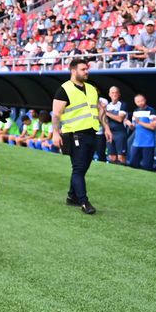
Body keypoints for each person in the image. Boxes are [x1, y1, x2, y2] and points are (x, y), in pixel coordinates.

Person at [50, 57, 103, 215]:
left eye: (87, 69)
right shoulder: (64, 89)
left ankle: (72, 196)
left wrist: (106, 128)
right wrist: (55, 133)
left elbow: (99, 109)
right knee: (79, 169)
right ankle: (84, 202)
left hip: (92, 133)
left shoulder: (92, 89)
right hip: (75, 135)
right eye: (83, 69)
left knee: (83, 168)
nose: (86, 72)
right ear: (73, 71)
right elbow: (56, 114)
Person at [124, 93, 156, 170]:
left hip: (148, 143)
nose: (140, 103)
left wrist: (139, 122)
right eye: (138, 101)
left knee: (147, 167)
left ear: (145, 100)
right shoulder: (136, 111)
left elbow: (153, 127)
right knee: (133, 164)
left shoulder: (151, 110)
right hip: (136, 142)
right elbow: (134, 127)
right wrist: (130, 125)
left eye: (141, 101)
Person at [102, 86, 128, 164]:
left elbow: (120, 119)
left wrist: (106, 112)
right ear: (109, 94)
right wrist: (106, 130)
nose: (114, 94)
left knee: (121, 157)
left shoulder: (123, 104)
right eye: (112, 93)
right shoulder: (107, 106)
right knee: (112, 157)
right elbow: (104, 119)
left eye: (116, 92)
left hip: (120, 133)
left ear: (119, 94)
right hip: (110, 133)